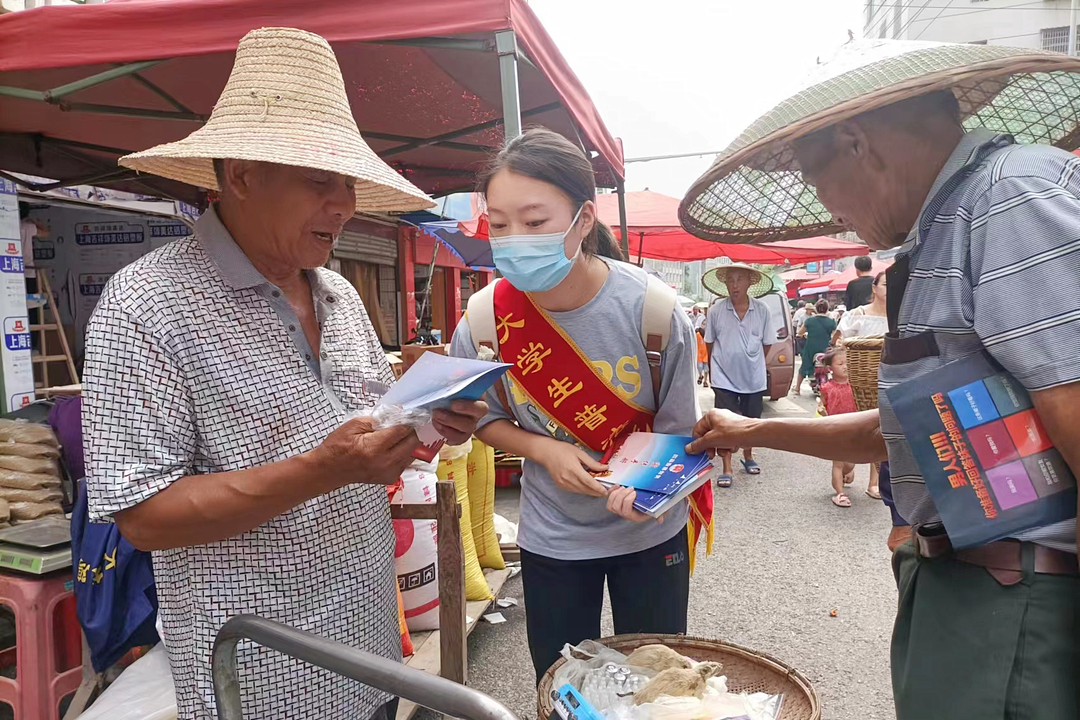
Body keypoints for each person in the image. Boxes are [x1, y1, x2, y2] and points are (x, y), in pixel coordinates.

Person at [81, 29, 488, 720]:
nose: (345, 204)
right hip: (258, 679)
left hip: (370, 656)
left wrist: (429, 422)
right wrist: (320, 470)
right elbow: (144, 516)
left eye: (348, 181)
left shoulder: (340, 294)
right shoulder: (145, 306)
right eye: (318, 180)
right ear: (241, 175)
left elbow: (366, 429)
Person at [681, 41, 1080, 720]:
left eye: (815, 180)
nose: (829, 209)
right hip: (965, 589)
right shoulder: (947, 225)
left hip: (1018, 598)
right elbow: (919, 429)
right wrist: (753, 429)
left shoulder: (1009, 199)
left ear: (856, 142)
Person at [448, 128, 707, 684]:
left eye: (535, 222)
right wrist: (542, 449)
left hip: (649, 532)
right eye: (499, 224)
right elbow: (483, 419)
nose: (514, 238)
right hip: (554, 539)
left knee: (655, 684)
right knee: (564, 686)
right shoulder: (484, 321)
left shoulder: (654, 313)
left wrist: (649, 488)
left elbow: (684, 432)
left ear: (584, 219)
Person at [703, 264, 773, 486]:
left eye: (739, 279)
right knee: (724, 423)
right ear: (725, 284)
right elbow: (710, 343)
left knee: (751, 422)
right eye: (730, 280)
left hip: (753, 378)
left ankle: (748, 456)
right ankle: (727, 467)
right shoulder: (715, 311)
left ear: (750, 282)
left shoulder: (762, 311)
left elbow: (767, 345)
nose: (734, 285)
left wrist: (752, 361)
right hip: (723, 377)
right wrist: (716, 368)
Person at [816, 348, 879, 505]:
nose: (845, 366)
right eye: (840, 363)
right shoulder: (826, 387)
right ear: (830, 368)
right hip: (838, 429)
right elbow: (821, 406)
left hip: (858, 427)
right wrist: (822, 411)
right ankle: (840, 493)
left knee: (857, 461)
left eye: (847, 363)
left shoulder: (856, 385)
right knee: (838, 462)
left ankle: (868, 482)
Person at [794, 299, 835, 396]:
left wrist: (801, 335)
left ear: (816, 308)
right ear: (827, 309)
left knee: (804, 366)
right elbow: (834, 335)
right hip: (825, 348)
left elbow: (800, 332)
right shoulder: (831, 322)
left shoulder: (809, 321)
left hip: (810, 348)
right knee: (830, 366)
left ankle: (797, 388)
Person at [836, 271, 888, 341]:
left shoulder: (900, 318)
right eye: (885, 285)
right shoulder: (858, 314)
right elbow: (839, 341)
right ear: (874, 288)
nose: (890, 288)